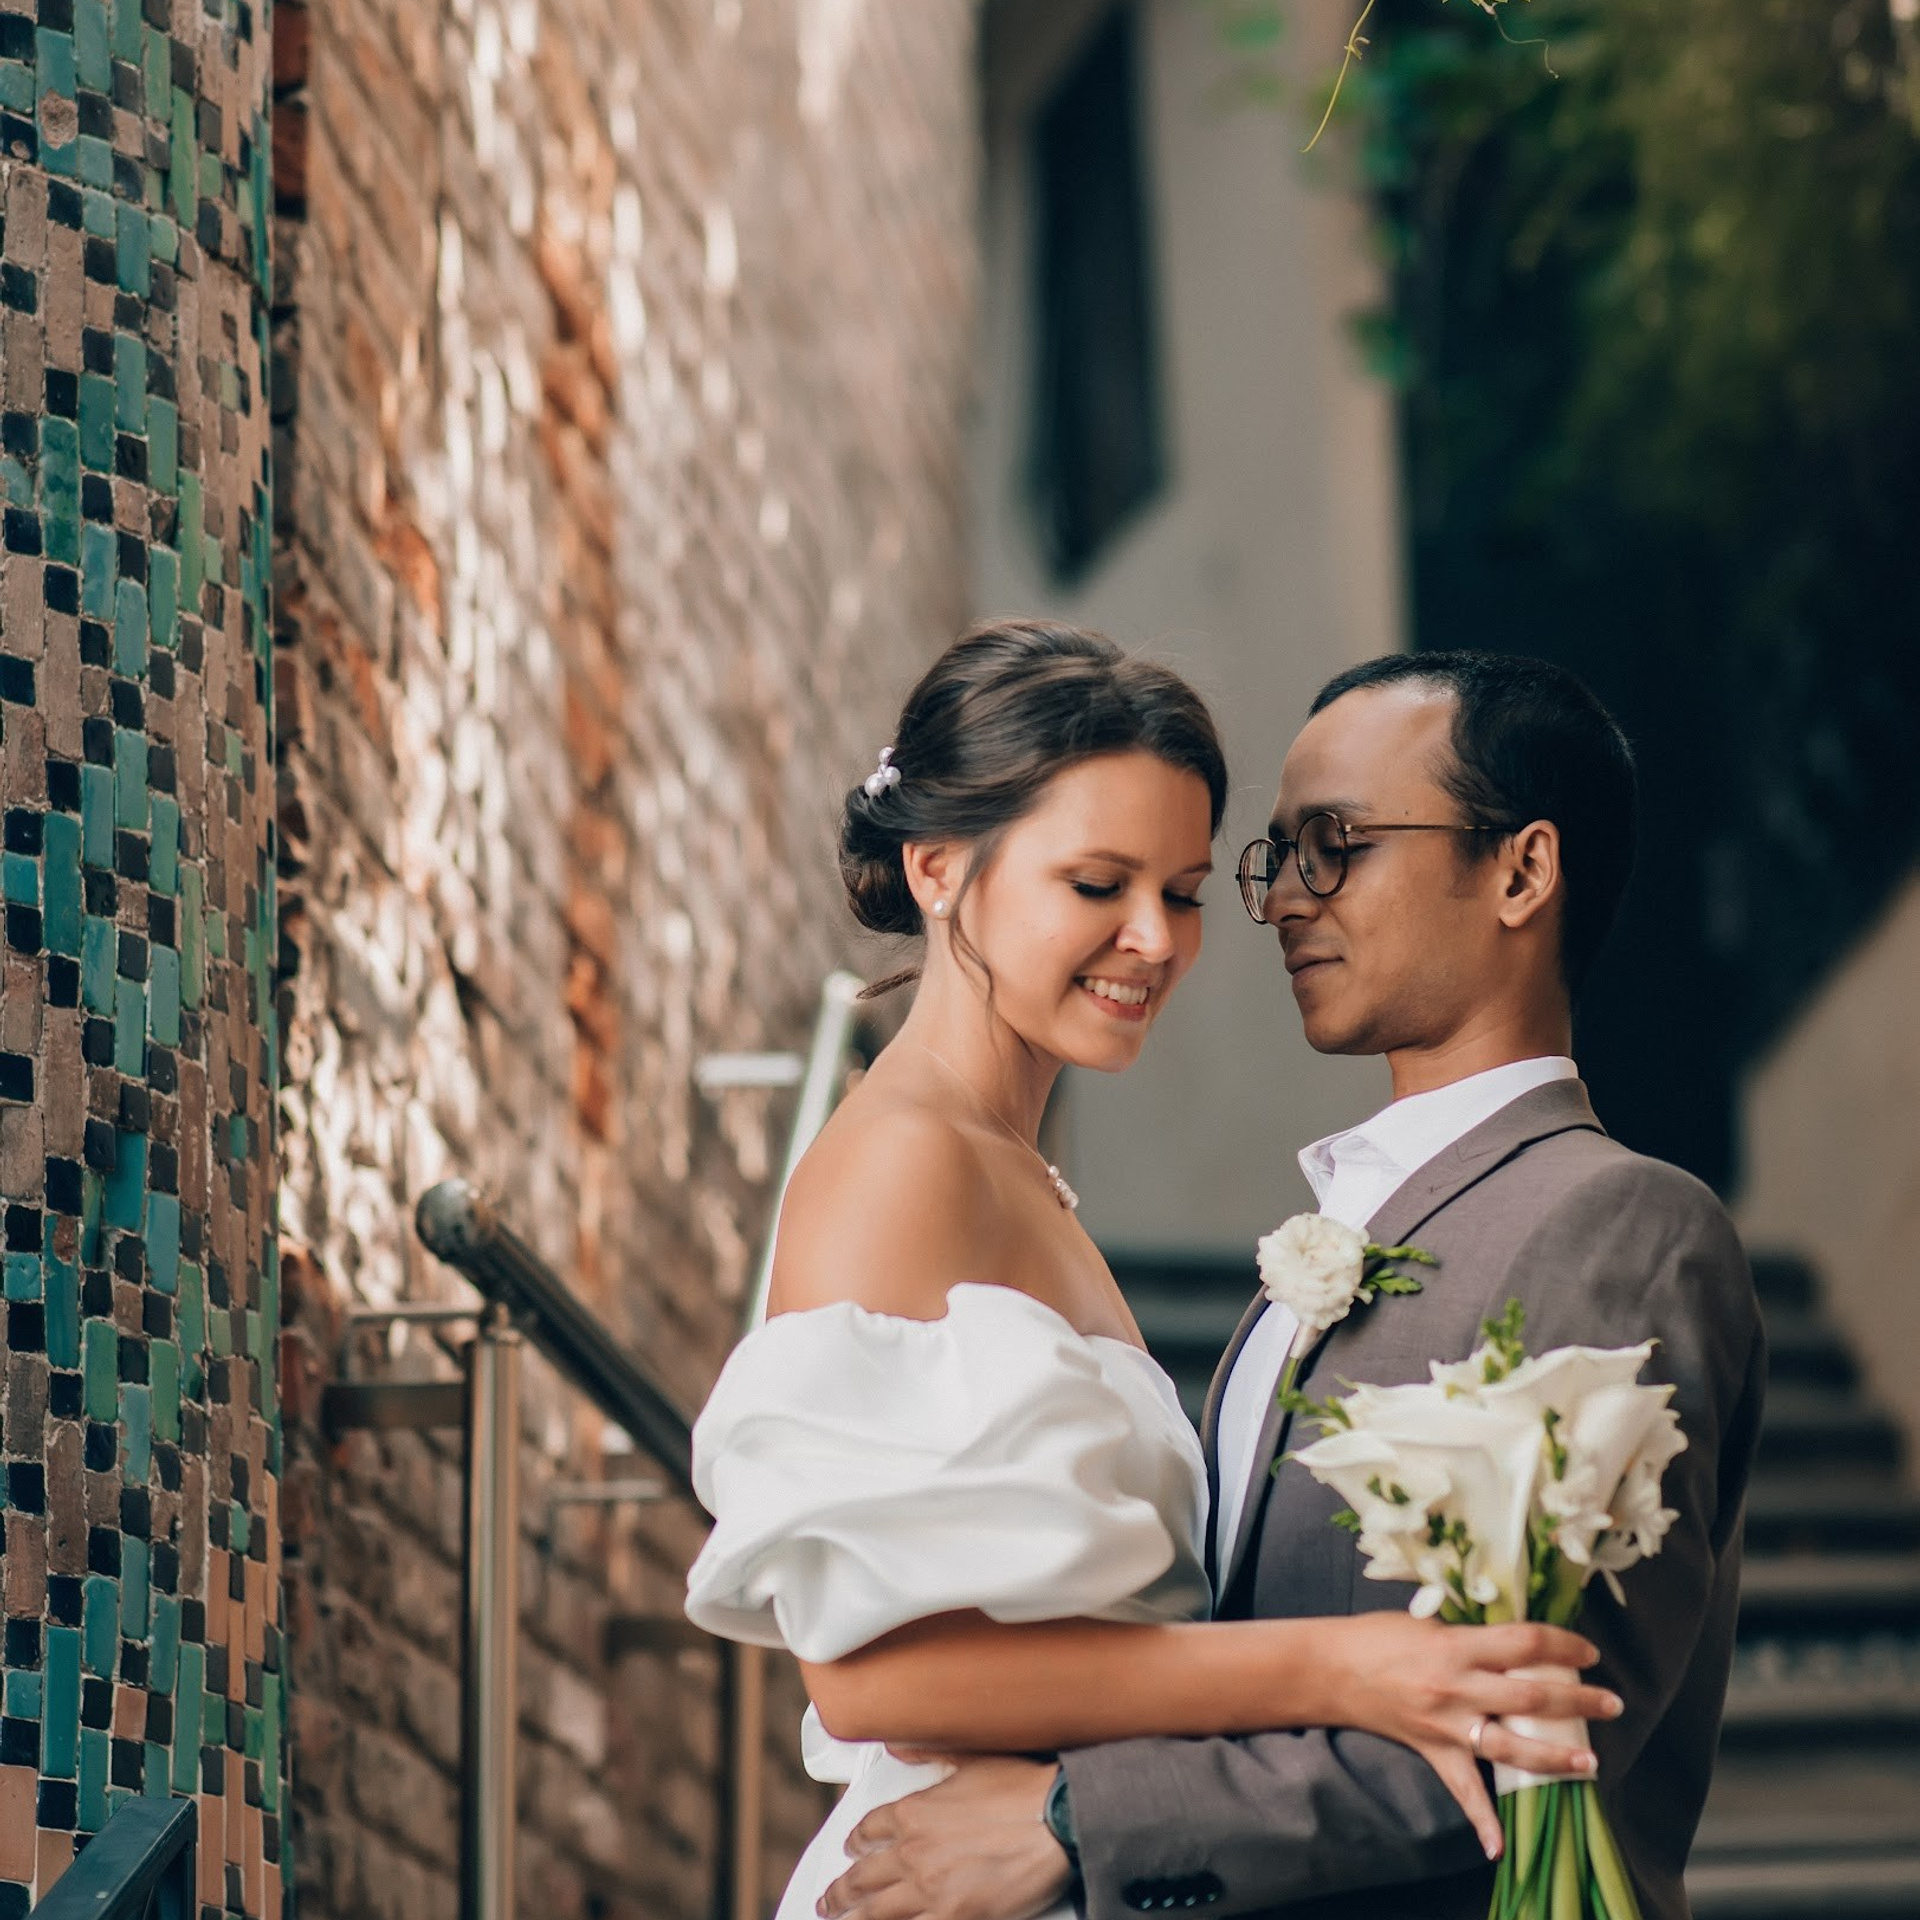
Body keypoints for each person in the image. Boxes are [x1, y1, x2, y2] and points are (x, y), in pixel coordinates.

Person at [685, 625, 1621, 1920]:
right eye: (1096, 884)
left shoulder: (1005, 1165)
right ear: (940, 866)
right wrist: (1336, 1671)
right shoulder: (901, 1162)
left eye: (1181, 892)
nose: (1153, 939)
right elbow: (871, 1681)